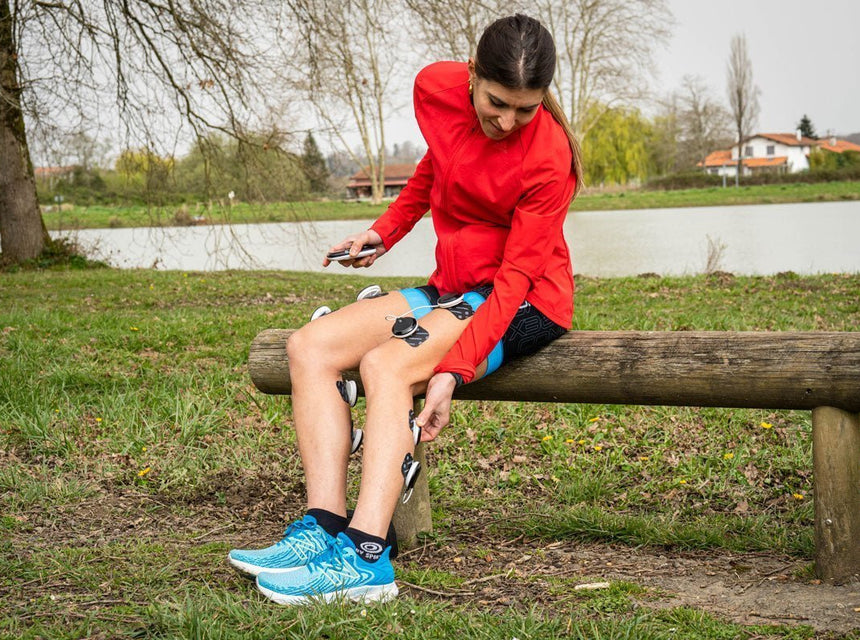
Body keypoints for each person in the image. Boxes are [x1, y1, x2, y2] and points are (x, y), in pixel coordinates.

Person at [228, 13, 583, 606]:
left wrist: (454, 369)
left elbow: (517, 277)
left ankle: (368, 559)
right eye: (497, 102)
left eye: (526, 108)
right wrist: (383, 231)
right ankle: (324, 528)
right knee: (309, 347)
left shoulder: (549, 155)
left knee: (388, 366)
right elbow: (435, 168)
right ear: (471, 75)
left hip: (521, 300)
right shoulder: (436, 88)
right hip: (454, 284)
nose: (507, 121)